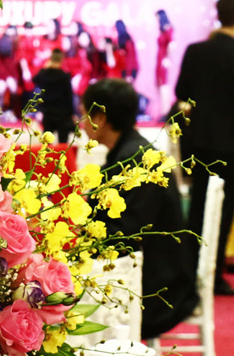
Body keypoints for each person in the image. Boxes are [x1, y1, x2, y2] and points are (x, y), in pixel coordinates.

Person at [81, 79, 198, 338]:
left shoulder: (136, 161)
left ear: (99, 117)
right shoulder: (131, 152)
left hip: (159, 291)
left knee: (65, 302)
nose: (81, 122)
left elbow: (124, 236)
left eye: (84, 114)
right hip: (150, 273)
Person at [175, 0, 234, 295]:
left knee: (199, 206)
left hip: (199, 142)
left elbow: (181, 91)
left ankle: (190, 270)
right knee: (223, 211)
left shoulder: (197, 51)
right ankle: (214, 273)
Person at [32, 49, 74, 143]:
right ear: (61, 59)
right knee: (63, 144)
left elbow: (34, 79)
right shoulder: (64, 76)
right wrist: (72, 113)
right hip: (62, 114)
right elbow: (69, 97)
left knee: (47, 144)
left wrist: (45, 67)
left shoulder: (44, 74)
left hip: (48, 112)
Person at [155, 9, 174, 119]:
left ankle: (166, 111)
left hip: (163, 59)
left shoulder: (168, 29)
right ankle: (164, 109)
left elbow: (171, 44)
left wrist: (167, 58)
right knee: (160, 84)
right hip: (160, 58)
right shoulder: (162, 30)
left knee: (164, 84)